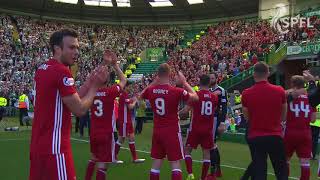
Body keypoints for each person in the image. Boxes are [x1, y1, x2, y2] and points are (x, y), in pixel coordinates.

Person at [29, 29, 110, 180]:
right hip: (56, 148)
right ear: (57, 49)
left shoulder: (43, 68)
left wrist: (90, 81)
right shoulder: (61, 71)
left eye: (77, 47)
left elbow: (69, 100)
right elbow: (79, 109)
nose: (77, 52)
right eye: (72, 47)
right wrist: (95, 87)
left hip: (38, 146)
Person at [139, 63, 198, 180]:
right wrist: (185, 82)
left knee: (156, 164)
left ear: (157, 75)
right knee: (175, 164)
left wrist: (153, 83)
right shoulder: (175, 90)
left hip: (157, 131)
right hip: (172, 131)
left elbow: (141, 95)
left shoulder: (151, 90)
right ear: (169, 74)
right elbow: (195, 98)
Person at [241, 62, 288, 180]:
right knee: (281, 171)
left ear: (254, 74)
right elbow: (283, 115)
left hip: (256, 136)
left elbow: (247, 118)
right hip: (275, 135)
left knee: (259, 171)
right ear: (267, 73)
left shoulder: (246, 93)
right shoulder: (279, 91)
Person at [85, 49, 127, 180]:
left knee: (93, 158)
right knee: (103, 165)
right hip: (106, 133)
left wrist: (103, 63)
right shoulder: (110, 92)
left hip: (94, 132)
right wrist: (115, 65)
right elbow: (124, 80)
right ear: (107, 79)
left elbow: (92, 77)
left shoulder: (91, 92)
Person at [179, 74, 218, 180]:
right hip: (208, 129)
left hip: (195, 128)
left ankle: (190, 174)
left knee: (187, 150)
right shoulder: (214, 97)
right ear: (209, 83)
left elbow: (185, 111)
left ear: (199, 82)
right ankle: (203, 177)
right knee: (206, 153)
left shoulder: (196, 95)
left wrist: (176, 114)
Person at [284, 75, 317, 180]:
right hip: (305, 133)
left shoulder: (289, 97)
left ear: (293, 85)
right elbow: (313, 119)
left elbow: (283, 116)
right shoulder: (310, 98)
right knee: (305, 162)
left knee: (286, 160)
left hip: (290, 131)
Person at [115, 82, 145, 163]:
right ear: (126, 87)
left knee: (129, 137)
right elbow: (130, 106)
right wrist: (135, 101)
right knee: (122, 138)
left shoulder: (124, 95)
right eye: (130, 86)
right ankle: (114, 156)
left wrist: (134, 98)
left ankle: (134, 158)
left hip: (126, 120)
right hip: (124, 120)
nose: (131, 88)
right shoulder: (124, 94)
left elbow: (128, 102)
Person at [208, 73, 228, 178]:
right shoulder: (208, 90)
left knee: (212, 145)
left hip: (216, 120)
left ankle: (213, 172)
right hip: (209, 120)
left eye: (212, 78)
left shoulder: (221, 90)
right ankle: (218, 170)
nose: (211, 79)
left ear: (216, 79)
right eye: (210, 78)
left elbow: (224, 107)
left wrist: (222, 122)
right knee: (213, 145)